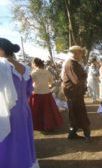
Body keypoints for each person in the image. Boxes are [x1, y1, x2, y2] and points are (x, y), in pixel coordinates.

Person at [0, 38, 39, 167]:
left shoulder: (2, 66)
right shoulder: (25, 68)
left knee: (8, 144)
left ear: (1, 50)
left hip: (7, 112)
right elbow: (29, 91)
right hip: (23, 110)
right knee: (23, 140)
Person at [61, 46, 91, 142]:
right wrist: (84, 76)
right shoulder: (71, 64)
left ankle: (72, 134)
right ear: (75, 53)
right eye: (80, 53)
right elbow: (76, 81)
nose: (82, 55)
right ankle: (87, 135)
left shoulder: (74, 63)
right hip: (73, 94)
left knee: (74, 113)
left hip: (74, 93)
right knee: (79, 113)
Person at [29, 58, 63, 131]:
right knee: (48, 111)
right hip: (46, 92)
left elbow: (30, 83)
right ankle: (49, 125)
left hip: (37, 93)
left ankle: (39, 125)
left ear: (34, 64)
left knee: (37, 111)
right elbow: (51, 82)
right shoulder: (47, 72)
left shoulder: (33, 73)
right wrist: (47, 85)